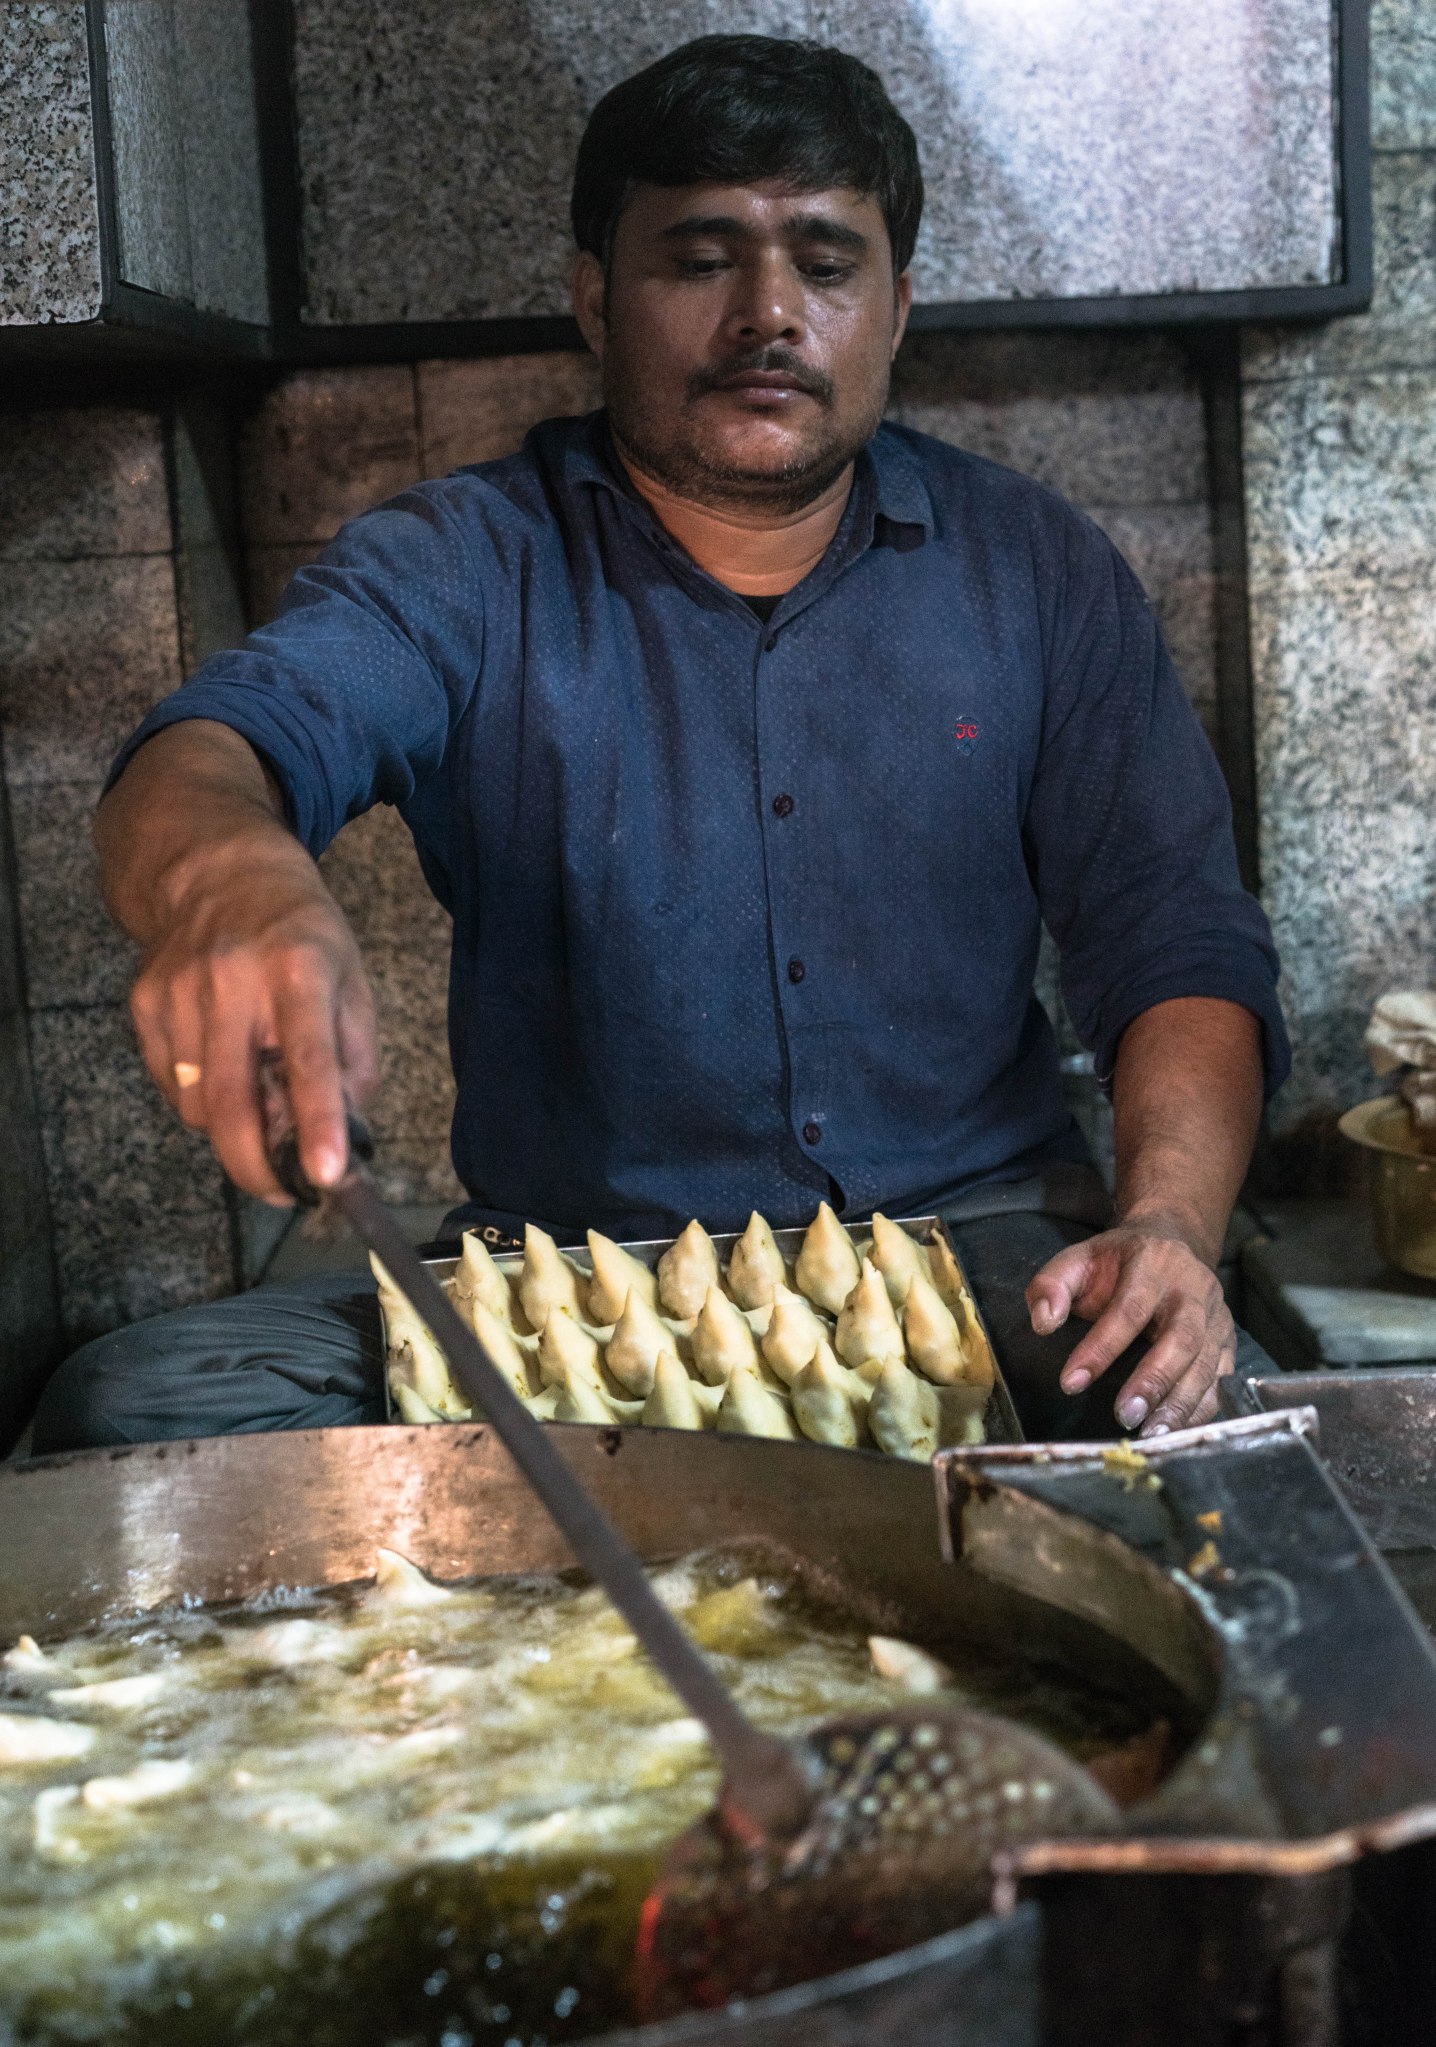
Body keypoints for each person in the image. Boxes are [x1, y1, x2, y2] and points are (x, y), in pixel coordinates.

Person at [33, 35, 1287, 1455]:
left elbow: (1178, 942)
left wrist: (1169, 1228)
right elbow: (218, 753)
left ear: (896, 308)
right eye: (700, 259)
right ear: (594, 297)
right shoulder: (468, 563)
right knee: (132, 1409)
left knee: (1191, 1419)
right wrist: (232, 886)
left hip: (977, 1259)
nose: (769, 314)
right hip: (583, 1280)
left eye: (826, 263)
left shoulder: (1035, 570)